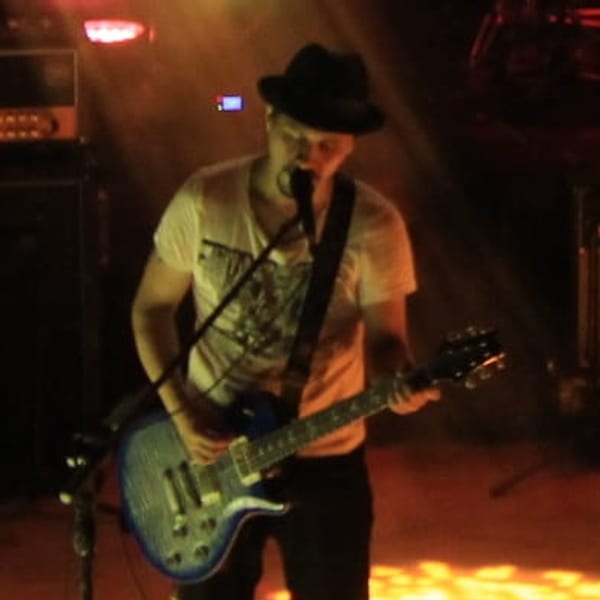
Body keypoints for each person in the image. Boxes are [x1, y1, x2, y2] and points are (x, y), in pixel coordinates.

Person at [131, 42, 439, 600]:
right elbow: (150, 308)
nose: (308, 157)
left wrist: (400, 380)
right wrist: (182, 415)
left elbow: (388, 341)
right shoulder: (206, 199)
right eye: (295, 136)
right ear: (269, 119)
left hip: (324, 457)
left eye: (328, 146)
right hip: (213, 446)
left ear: (349, 146)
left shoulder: (373, 225)